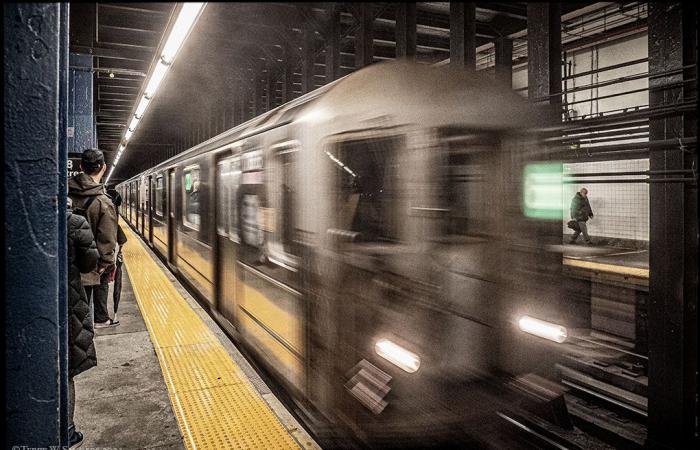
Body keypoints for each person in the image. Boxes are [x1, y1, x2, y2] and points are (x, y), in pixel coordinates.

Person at [68, 148, 119, 327]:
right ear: (104, 168)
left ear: (81, 166)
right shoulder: (103, 202)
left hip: (67, 260)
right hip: (90, 265)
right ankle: (100, 318)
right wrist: (106, 263)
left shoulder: (65, 192)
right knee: (85, 307)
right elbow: (107, 239)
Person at [67, 197, 100, 447]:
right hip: (72, 297)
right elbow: (90, 261)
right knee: (67, 368)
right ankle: (67, 430)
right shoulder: (76, 222)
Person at [106, 188, 127, 323]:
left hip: (105, 257)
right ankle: (103, 317)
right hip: (106, 258)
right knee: (105, 286)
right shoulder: (108, 212)